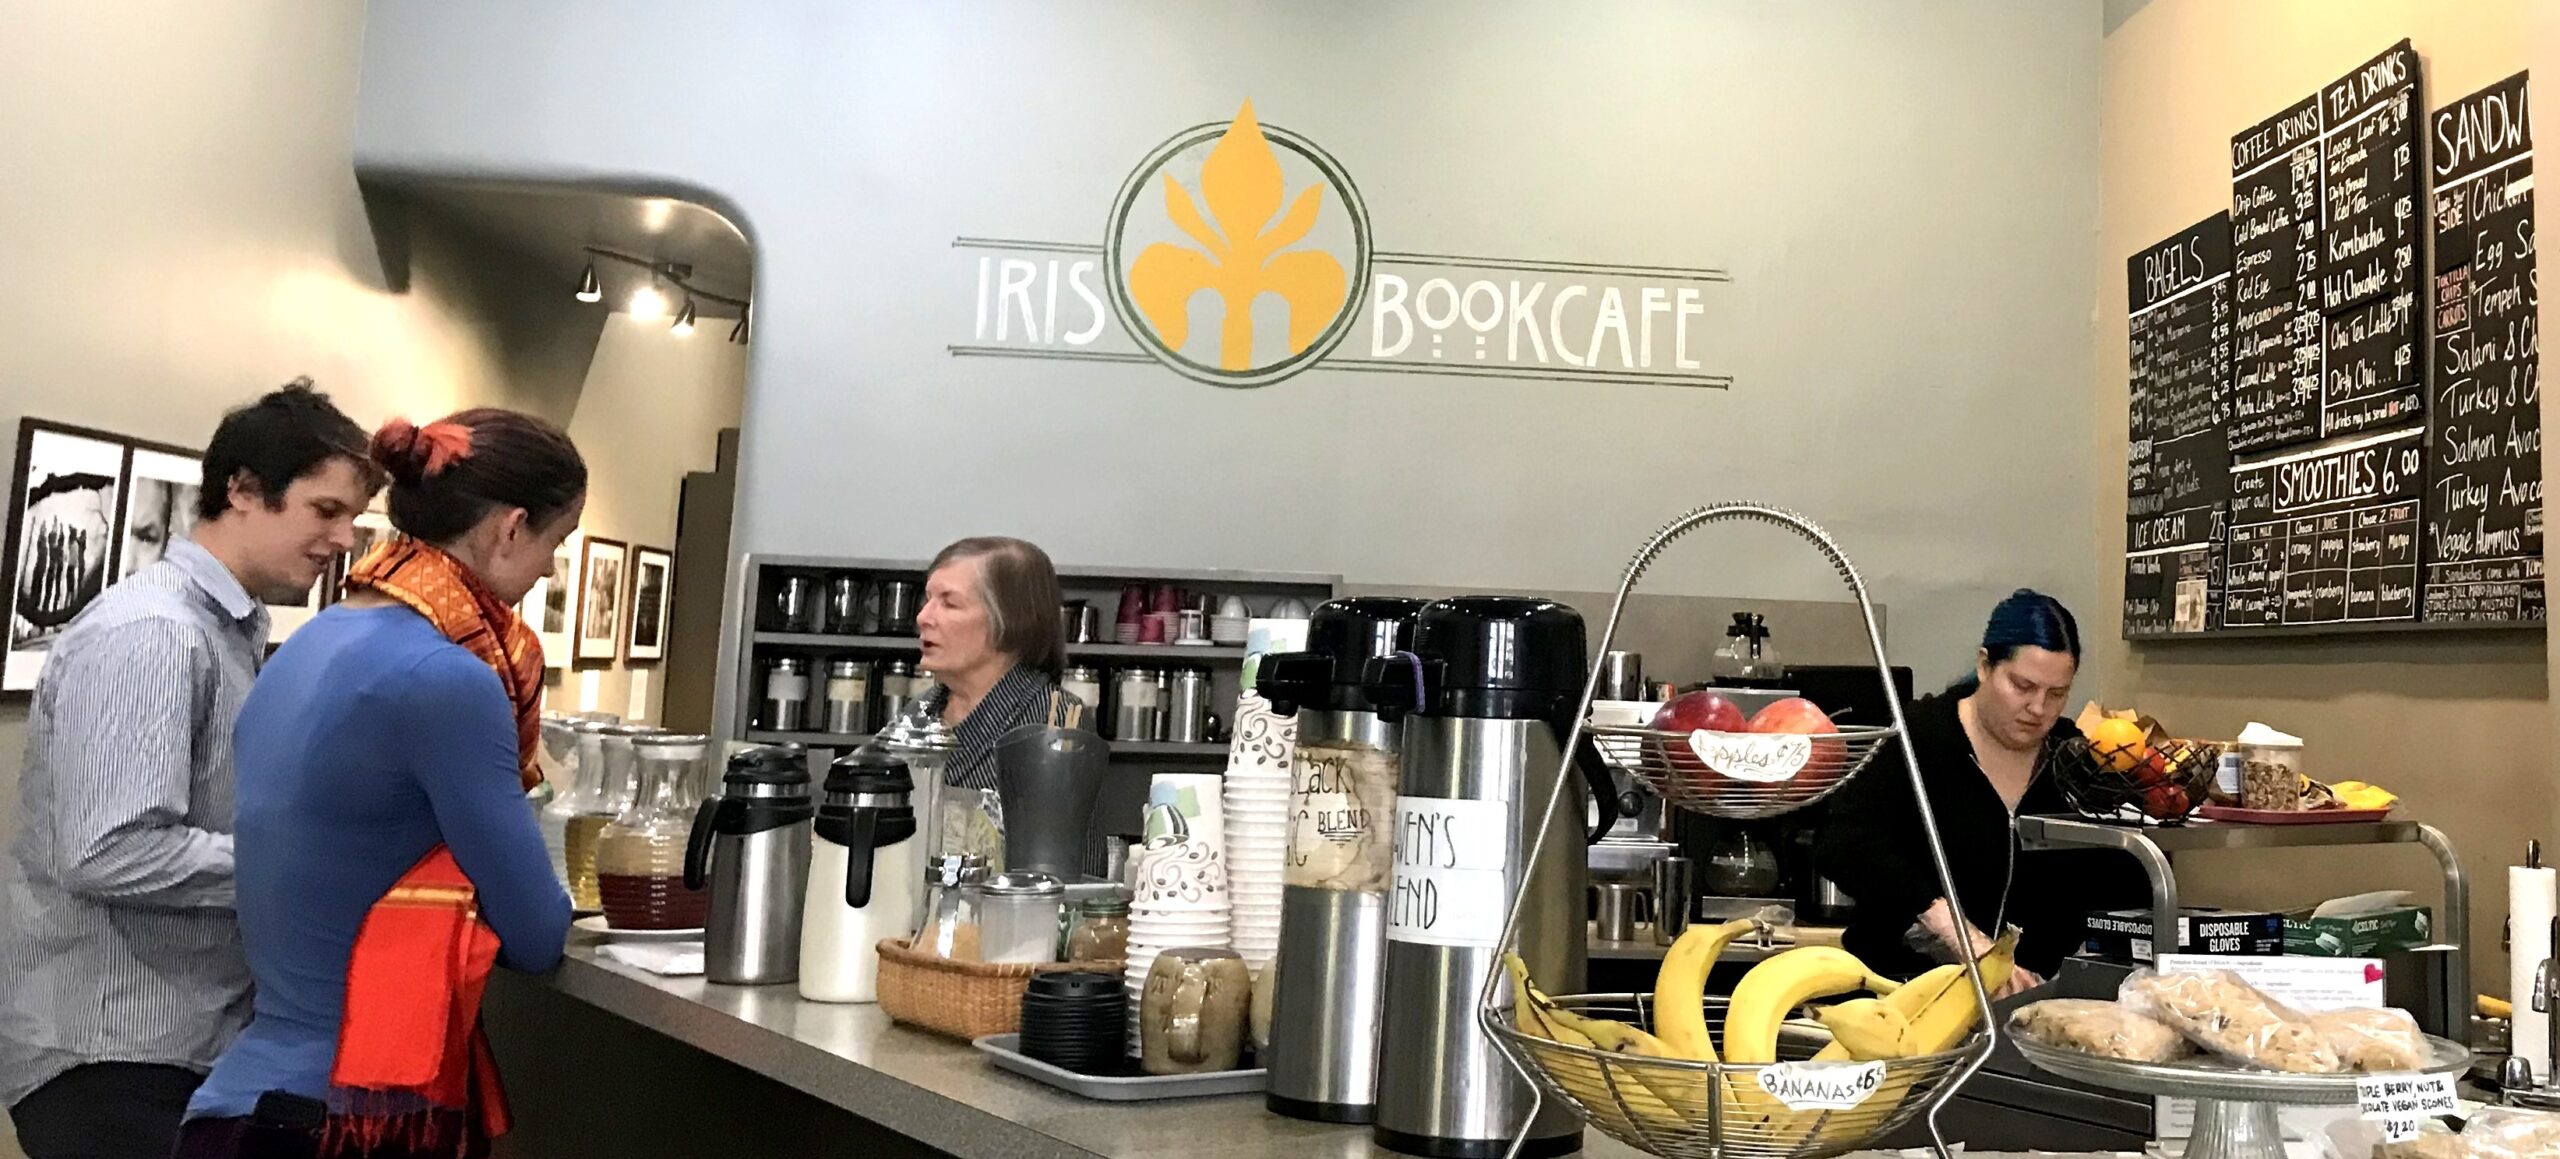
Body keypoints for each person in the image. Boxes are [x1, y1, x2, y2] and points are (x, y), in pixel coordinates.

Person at [180, 410, 580, 1157]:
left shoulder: (306, 643)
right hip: (347, 1119)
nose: (551, 570)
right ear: (511, 527)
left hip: (243, 1102)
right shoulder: (451, 680)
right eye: (556, 543)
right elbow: (536, 932)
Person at [0, 382, 377, 1159]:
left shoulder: (232, 628)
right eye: (326, 510)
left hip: (183, 1042)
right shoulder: (153, 634)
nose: (345, 538)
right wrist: (305, 864)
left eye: (353, 517)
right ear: (241, 489)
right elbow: (109, 849)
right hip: (111, 1054)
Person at [1819, 589, 2146, 995]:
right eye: (2022, 685)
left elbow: (2127, 880)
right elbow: (1845, 844)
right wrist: (1956, 932)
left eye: (2057, 693)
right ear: (1984, 665)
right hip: (1900, 990)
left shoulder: (2073, 761)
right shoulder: (1915, 738)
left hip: (2029, 1004)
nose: (2038, 708)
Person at [915, 536, 1066, 791]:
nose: (923, 617)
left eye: (950, 603)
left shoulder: (1055, 720)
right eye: (928, 600)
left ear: (1009, 620)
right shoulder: (922, 709)